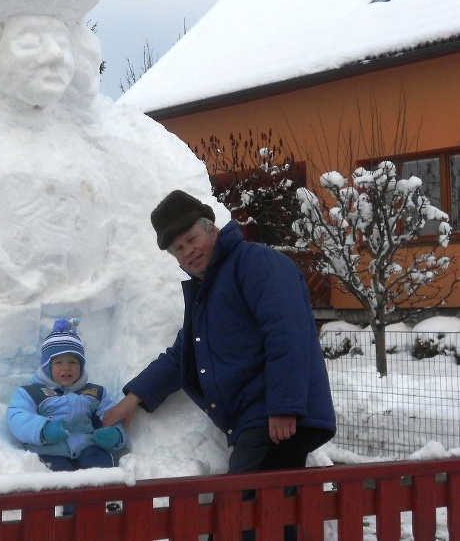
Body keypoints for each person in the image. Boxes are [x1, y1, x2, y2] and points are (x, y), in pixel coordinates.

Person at [103, 190, 336, 538]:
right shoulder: (208, 292)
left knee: (237, 515)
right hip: (256, 421)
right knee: (268, 518)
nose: (188, 251)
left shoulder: (255, 263)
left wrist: (284, 406)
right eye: (178, 249)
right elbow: (183, 355)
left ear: (211, 228)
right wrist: (134, 397)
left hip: (274, 417)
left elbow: (287, 332)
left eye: (191, 239)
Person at [7, 318, 127, 476]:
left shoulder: (95, 392)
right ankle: (66, 501)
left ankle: (105, 499)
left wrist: (115, 434)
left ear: (81, 365)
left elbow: (111, 415)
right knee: (60, 482)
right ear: (47, 366)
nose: (66, 368)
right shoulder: (31, 392)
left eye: (73, 362)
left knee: (102, 474)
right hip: (49, 450)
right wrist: (44, 430)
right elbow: (17, 416)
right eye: (58, 363)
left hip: (89, 448)